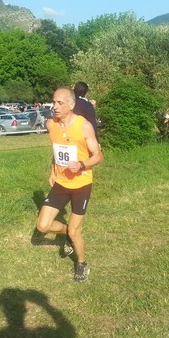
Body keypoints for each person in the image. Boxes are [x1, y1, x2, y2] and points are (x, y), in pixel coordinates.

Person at [35, 87, 103, 282]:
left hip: (81, 184)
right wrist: (52, 171)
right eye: (53, 102)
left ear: (71, 105)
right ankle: (68, 234)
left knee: (75, 230)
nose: (54, 107)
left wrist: (82, 164)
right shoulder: (51, 125)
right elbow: (57, 151)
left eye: (60, 103)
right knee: (42, 225)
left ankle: (82, 263)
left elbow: (98, 156)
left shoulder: (84, 126)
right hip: (61, 183)